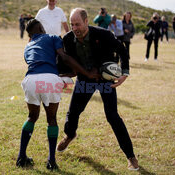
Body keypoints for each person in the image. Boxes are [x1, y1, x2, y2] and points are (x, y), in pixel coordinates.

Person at [56, 8, 139, 171]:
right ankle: (70, 134)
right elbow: (65, 61)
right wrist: (64, 74)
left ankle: (130, 156)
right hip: (84, 79)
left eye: (78, 24)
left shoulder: (104, 35)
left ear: (87, 21)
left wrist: (125, 73)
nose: (75, 28)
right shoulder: (67, 39)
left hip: (105, 79)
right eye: (72, 25)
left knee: (112, 116)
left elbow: (122, 49)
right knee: (73, 112)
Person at [16, 19, 98, 170]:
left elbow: (37, 63)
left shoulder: (27, 46)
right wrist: (86, 73)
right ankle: (51, 161)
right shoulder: (52, 37)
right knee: (51, 119)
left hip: (30, 81)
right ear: (41, 28)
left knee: (32, 117)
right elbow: (65, 57)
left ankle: (21, 156)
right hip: (50, 79)